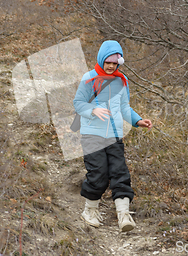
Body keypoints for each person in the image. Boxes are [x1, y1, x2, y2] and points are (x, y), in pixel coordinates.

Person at [73, 40, 152, 232]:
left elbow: (124, 107)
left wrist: (137, 120)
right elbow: (78, 103)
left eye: (114, 63)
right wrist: (93, 110)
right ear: (101, 60)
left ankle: (123, 215)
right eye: (107, 62)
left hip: (115, 137)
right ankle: (89, 211)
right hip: (92, 135)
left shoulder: (121, 80)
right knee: (98, 173)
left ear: (119, 63)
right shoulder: (89, 78)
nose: (110, 66)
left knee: (120, 173)